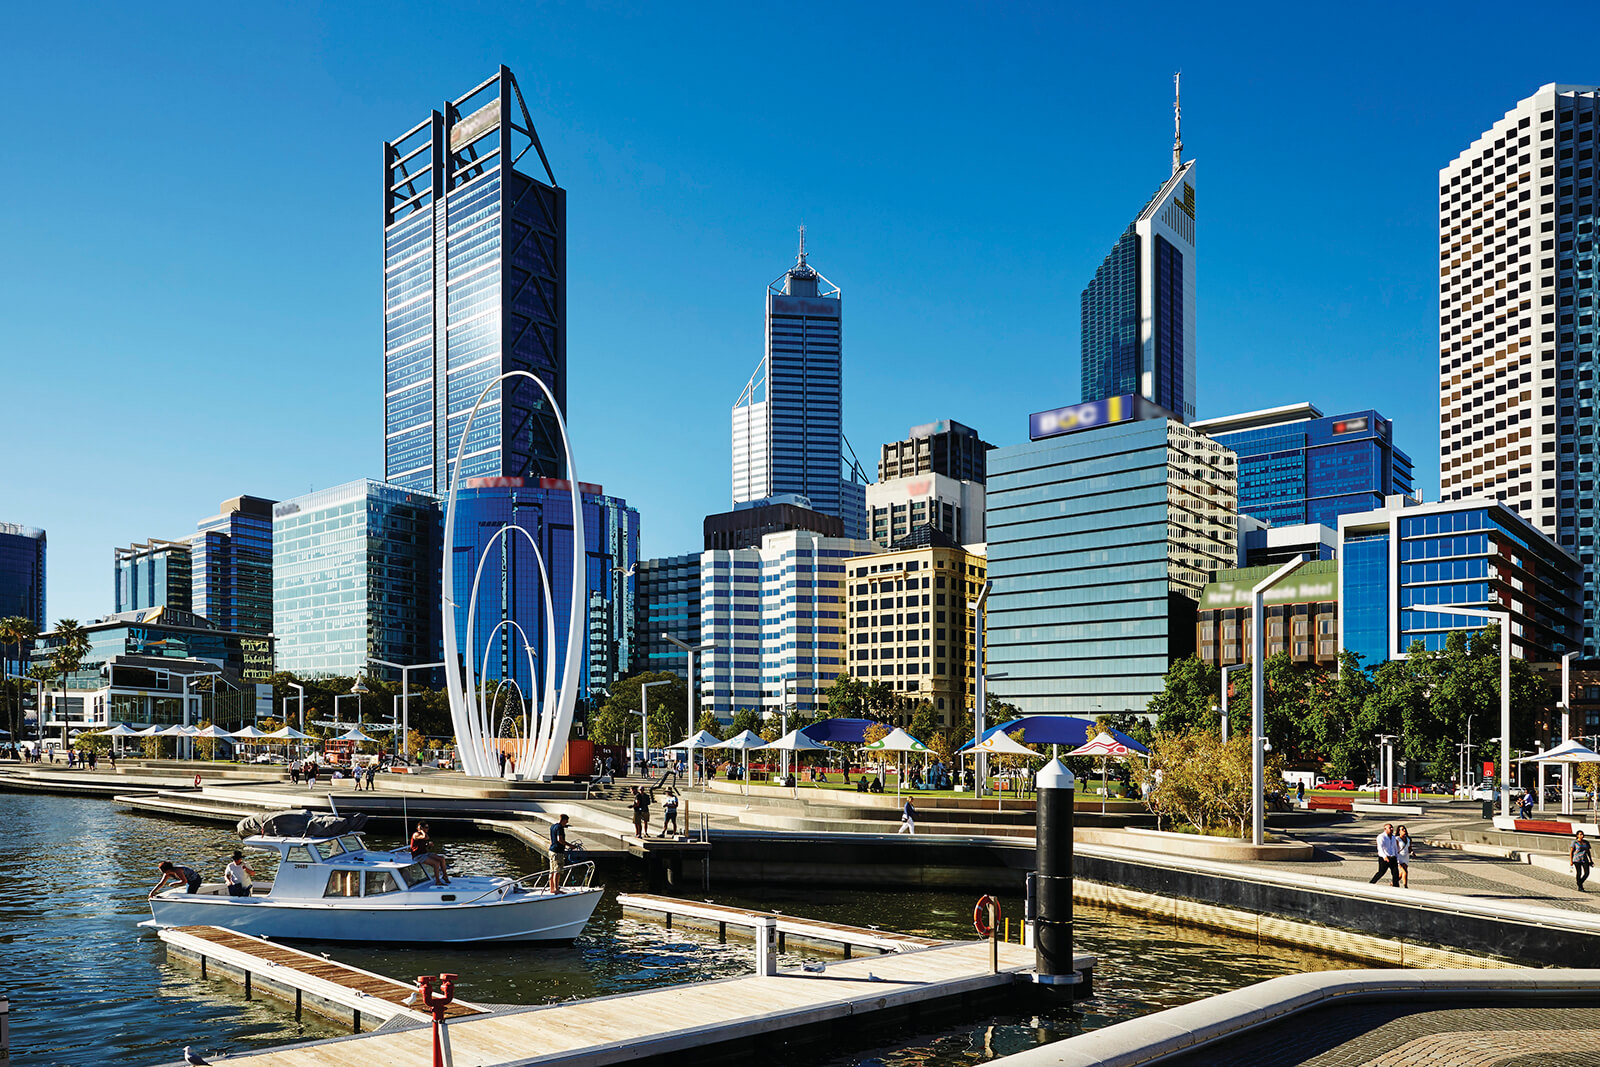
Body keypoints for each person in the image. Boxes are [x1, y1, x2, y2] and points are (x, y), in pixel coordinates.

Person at [549, 813, 571, 893]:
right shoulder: (560, 828)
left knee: (552, 870)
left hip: (551, 851)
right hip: (558, 852)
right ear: (564, 820)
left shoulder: (553, 826)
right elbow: (560, 839)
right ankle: (556, 889)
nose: (566, 823)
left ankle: (552, 888)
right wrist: (570, 845)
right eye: (566, 821)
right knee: (557, 871)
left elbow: (551, 839)